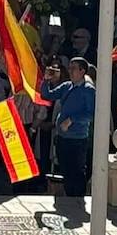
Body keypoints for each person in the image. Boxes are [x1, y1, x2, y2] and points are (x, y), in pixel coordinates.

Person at [41, 56, 96, 198]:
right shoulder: (66, 86)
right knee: (65, 169)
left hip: (77, 138)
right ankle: (69, 196)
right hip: (62, 136)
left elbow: (90, 113)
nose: (70, 71)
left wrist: (72, 120)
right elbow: (47, 95)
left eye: (74, 68)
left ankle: (77, 198)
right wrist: (46, 80)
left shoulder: (88, 90)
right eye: (69, 68)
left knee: (77, 171)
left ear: (82, 71)